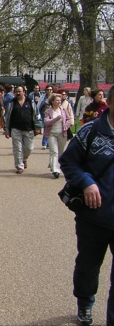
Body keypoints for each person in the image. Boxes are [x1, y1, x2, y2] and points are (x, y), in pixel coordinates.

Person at [59, 85, 114, 326]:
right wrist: (86, 182)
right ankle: (85, 301)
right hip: (94, 216)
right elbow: (68, 162)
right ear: (110, 103)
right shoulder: (90, 131)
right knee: (88, 266)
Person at [3, 85, 39, 174]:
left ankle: (24, 159)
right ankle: (19, 166)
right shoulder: (12, 103)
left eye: (20, 91)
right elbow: (6, 117)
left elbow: (37, 115)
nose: (18, 93)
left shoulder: (30, 102)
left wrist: (38, 127)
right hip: (16, 129)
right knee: (17, 148)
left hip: (29, 129)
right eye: (16, 92)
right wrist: (6, 129)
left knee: (29, 148)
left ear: (24, 92)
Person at [43, 93, 71, 178]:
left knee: (60, 152)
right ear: (52, 101)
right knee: (54, 151)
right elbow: (46, 122)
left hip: (62, 133)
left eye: (60, 100)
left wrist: (66, 126)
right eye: (57, 100)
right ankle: (56, 170)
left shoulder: (63, 110)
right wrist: (56, 118)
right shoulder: (48, 111)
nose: (59, 102)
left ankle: (53, 165)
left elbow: (68, 119)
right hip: (52, 134)